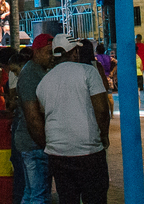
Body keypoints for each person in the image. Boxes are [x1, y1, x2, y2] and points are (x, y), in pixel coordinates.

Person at [29, 34, 111, 204]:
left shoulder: (44, 82)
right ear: (73, 52)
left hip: (57, 153)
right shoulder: (88, 72)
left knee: (67, 198)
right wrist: (104, 135)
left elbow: (44, 114)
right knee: (95, 197)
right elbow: (102, 110)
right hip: (88, 151)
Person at [15, 34, 56, 204]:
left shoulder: (38, 71)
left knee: (32, 192)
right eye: (48, 52)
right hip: (34, 143)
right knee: (40, 194)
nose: (52, 56)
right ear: (37, 52)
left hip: (32, 142)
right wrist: (45, 144)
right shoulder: (31, 74)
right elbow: (32, 117)